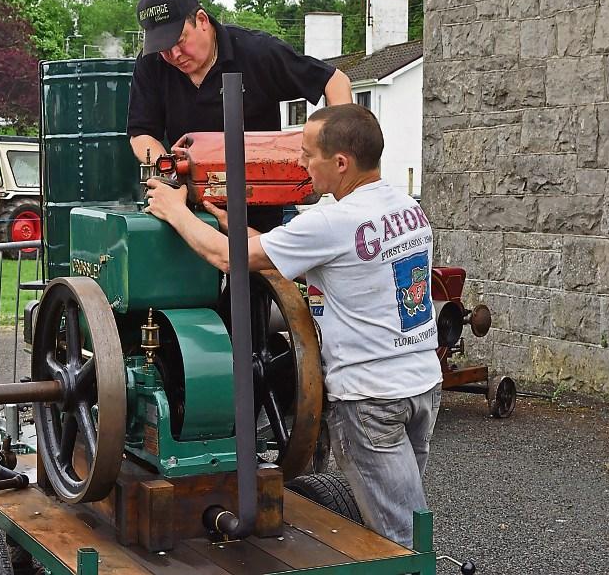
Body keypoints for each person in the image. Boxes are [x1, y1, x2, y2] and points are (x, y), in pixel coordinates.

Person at [145, 104, 442, 548]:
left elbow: (228, 260)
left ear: (340, 163)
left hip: (370, 400)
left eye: (308, 154)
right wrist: (237, 228)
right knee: (405, 513)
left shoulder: (332, 221)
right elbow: (323, 258)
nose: (301, 163)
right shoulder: (405, 207)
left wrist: (175, 210)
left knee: (400, 542)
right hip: (421, 388)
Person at [128, 0, 352, 231]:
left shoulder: (257, 52)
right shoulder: (150, 65)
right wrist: (172, 171)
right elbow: (141, 132)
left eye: (180, 41)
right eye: (163, 49)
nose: (174, 55)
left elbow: (335, 81)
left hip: (258, 217)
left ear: (202, 20)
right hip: (189, 213)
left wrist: (335, 161)